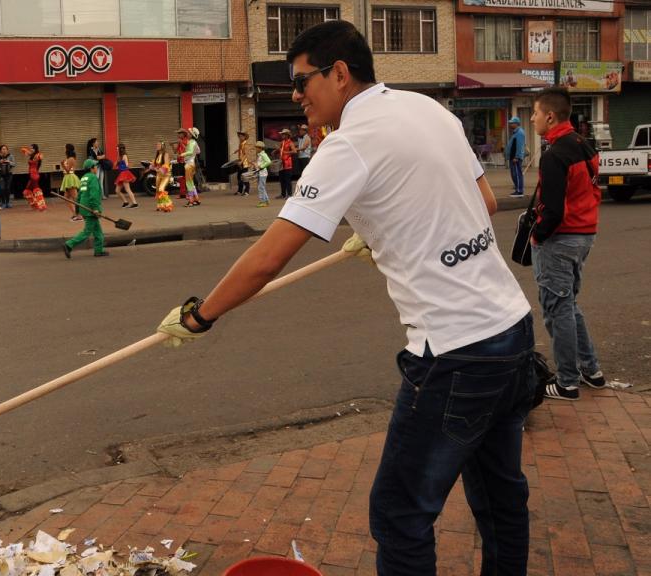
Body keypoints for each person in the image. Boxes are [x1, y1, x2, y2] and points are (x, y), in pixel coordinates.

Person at [155, 20, 533, 575]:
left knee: (400, 513)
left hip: (454, 353)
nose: (296, 95)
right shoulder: (427, 109)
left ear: (339, 72)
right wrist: (384, 230)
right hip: (512, 329)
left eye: (302, 81)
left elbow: (268, 258)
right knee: (501, 500)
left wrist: (200, 315)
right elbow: (485, 202)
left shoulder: (348, 144)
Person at [530, 87, 604, 401]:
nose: (532, 118)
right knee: (569, 305)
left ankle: (567, 382)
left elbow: (554, 210)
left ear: (550, 116)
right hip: (584, 234)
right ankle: (592, 371)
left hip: (561, 240)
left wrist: (537, 236)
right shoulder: (583, 145)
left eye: (534, 113)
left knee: (557, 309)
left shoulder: (555, 155)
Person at [62, 159, 109, 259]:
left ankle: (98, 251)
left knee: (98, 231)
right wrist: (96, 208)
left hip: (84, 207)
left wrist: (78, 210)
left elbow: (79, 195)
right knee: (87, 232)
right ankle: (69, 244)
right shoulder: (93, 178)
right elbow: (94, 194)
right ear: (91, 168)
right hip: (90, 208)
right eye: (95, 166)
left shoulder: (84, 178)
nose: (96, 168)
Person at [22, 144, 47, 211]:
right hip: (31, 174)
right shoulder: (32, 155)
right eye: (30, 148)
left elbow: (41, 157)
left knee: (36, 189)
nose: (30, 149)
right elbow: (23, 150)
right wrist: (27, 152)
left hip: (34, 175)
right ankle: (35, 205)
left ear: (35, 149)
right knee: (27, 191)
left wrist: (36, 155)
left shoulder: (38, 155)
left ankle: (42, 206)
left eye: (32, 148)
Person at [180, 127, 201, 207]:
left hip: (189, 164)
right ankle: (196, 199)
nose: (187, 134)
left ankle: (191, 201)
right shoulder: (193, 142)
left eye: (189, 133)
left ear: (191, 135)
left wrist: (182, 154)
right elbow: (198, 151)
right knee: (191, 183)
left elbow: (191, 151)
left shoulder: (192, 142)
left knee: (188, 183)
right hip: (191, 163)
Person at [60, 143, 81, 220]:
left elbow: (68, 171)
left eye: (65, 148)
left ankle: (79, 215)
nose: (64, 149)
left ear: (67, 149)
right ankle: (75, 213)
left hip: (70, 178)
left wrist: (62, 165)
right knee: (66, 198)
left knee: (75, 197)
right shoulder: (69, 158)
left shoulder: (71, 159)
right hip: (68, 178)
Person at [506, 116, 526, 197]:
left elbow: (519, 146)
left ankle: (519, 190)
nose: (510, 124)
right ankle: (517, 189)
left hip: (515, 158)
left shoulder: (519, 133)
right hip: (513, 157)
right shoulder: (516, 132)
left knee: (517, 174)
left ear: (516, 124)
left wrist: (517, 157)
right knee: (514, 174)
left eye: (512, 123)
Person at [113, 143, 138, 208]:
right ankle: (125, 202)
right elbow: (115, 165)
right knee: (117, 191)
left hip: (124, 173)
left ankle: (135, 203)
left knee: (127, 189)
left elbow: (126, 165)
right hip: (121, 174)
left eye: (117, 148)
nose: (116, 149)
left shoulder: (124, 156)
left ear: (120, 149)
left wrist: (120, 164)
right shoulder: (119, 156)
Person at [151, 141, 174, 212]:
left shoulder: (165, 154)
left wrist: (159, 169)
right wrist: (153, 167)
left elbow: (166, 165)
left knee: (161, 189)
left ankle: (168, 205)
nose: (157, 146)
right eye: (156, 144)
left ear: (162, 146)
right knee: (158, 191)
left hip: (166, 175)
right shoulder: (158, 154)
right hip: (159, 175)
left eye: (158, 145)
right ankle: (160, 205)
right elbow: (155, 165)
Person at [276, 128, 298, 199]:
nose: (282, 135)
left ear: (287, 135)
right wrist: (275, 151)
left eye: (283, 134)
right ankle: (283, 194)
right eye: (282, 134)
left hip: (287, 163)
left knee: (287, 180)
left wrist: (286, 152)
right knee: (281, 179)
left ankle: (289, 194)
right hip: (281, 163)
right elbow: (280, 150)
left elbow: (294, 151)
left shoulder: (290, 143)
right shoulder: (282, 142)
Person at [254, 140, 272, 207]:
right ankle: (266, 200)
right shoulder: (260, 155)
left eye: (257, 147)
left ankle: (263, 201)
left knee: (261, 187)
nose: (256, 149)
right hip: (261, 173)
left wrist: (261, 167)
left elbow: (268, 162)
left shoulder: (263, 154)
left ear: (260, 148)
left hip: (262, 173)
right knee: (262, 187)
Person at [0, 144, 15, 209]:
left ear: (7, 150)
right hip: (1, 175)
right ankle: (3, 202)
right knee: (2, 188)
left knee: (7, 188)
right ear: (0, 150)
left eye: (5, 149)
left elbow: (14, 164)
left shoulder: (10, 156)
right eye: (3, 149)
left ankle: (8, 202)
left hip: (9, 174)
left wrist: (9, 162)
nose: (4, 150)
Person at [235, 131, 252, 196]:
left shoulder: (245, 144)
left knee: (245, 177)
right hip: (240, 162)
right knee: (239, 177)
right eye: (239, 136)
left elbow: (246, 154)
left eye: (241, 136)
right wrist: (237, 150)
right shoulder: (241, 143)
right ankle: (240, 190)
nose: (240, 137)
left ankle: (247, 191)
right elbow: (241, 150)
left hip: (244, 163)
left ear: (244, 137)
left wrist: (241, 162)